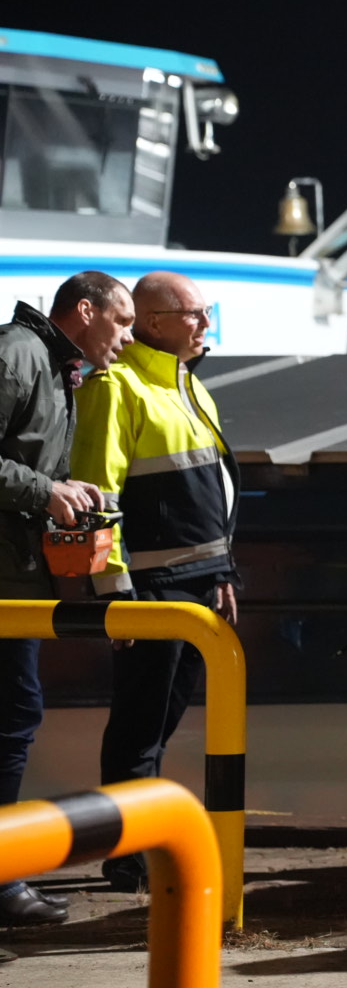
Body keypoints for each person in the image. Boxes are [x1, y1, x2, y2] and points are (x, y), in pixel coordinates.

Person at [69, 271, 240, 893]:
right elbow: (97, 493)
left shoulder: (187, 385)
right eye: (193, 313)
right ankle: (125, 852)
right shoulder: (116, 386)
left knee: (162, 720)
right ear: (152, 321)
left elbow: (206, 498)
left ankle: (135, 842)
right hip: (151, 592)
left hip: (198, 586)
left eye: (205, 312)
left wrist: (221, 573)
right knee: (141, 725)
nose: (204, 325)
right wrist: (113, 593)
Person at [0, 271, 131, 930]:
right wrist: (42, 491)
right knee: (12, 718)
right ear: (86, 311)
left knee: (13, 718)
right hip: (4, 584)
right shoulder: (20, 356)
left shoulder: (50, 365)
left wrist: (61, 486)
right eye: (124, 321)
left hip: (15, 580)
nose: (128, 339)